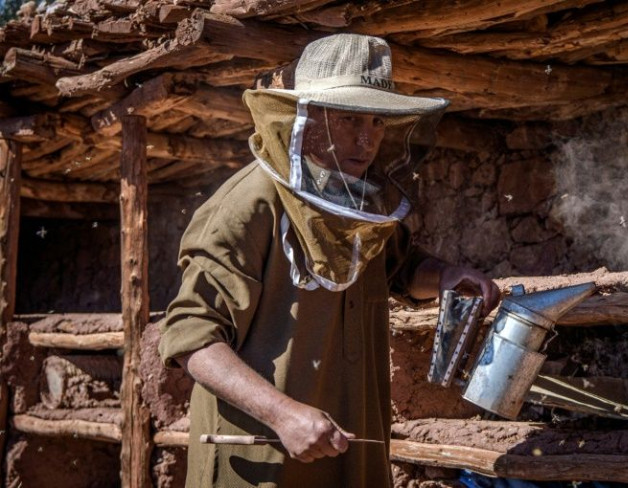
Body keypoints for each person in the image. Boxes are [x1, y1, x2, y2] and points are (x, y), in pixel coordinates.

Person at [158, 33, 500, 488]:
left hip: (348, 459)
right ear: (305, 116)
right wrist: (282, 414)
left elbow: (398, 268)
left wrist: (445, 276)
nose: (367, 138)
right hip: (262, 464)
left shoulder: (363, 202)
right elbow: (191, 337)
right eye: (347, 119)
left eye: (378, 121)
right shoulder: (248, 206)